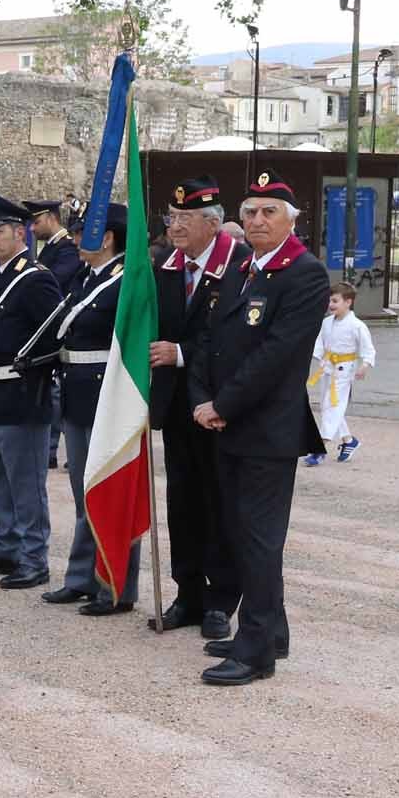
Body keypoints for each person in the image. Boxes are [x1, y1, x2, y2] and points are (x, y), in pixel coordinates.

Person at [189, 168, 330, 686]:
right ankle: (270, 630)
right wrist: (202, 397)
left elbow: (278, 355)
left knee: (259, 540)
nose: (256, 219)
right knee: (242, 534)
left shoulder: (304, 273)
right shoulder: (244, 265)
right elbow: (211, 337)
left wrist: (222, 403)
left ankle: (256, 653)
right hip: (227, 423)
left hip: (266, 430)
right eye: (249, 211)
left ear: (291, 220)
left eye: (269, 211)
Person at [144, 175, 248, 639]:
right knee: (182, 502)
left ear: (212, 223)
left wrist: (182, 353)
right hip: (177, 405)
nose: (175, 227)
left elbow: (237, 337)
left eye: (184, 219)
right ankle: (187, 593)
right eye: (172, 218)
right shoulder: (165, 265)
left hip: (219, 404)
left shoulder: (240, 265)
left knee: (219, 503)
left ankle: (222, 599)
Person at [0, 193, 62, 591]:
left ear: (20, 233)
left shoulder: (35, 279)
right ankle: (6, 543)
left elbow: (53, 336)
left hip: (22, 394)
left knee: (25, 483)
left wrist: (31, 373)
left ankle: (34, 557)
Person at [44, 203, 140, 614]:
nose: (76, 236)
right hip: (77, 392)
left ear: (107, 238)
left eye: (84, 230)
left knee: (110, 491)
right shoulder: (86, 277)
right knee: (84, 492)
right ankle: (81, 576)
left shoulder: (125, 282)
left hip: (107, 396)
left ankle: (115, 585)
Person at [27, 197, 81, 471]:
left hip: (63, 329)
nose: (32, 228)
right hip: (47, 327)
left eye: (36, 221)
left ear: (51, 218)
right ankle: (49, 449)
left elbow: (55, 280)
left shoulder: (67, 248)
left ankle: (54, 448)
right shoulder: (49, 248)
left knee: (58, 394)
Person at [306, 282, 375, 465]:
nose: (331, 304)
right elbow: (319, 343)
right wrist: (316, 357)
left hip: (344, 371)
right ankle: (348, 440)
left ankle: (321, 446)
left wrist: (365, 364)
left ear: (348, 302)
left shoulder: (357, 325)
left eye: (335, 301)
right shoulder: (327, 322)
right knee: (327, 405)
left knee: (333, 406)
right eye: (330, 301)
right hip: (327, 367)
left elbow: (368, 349)